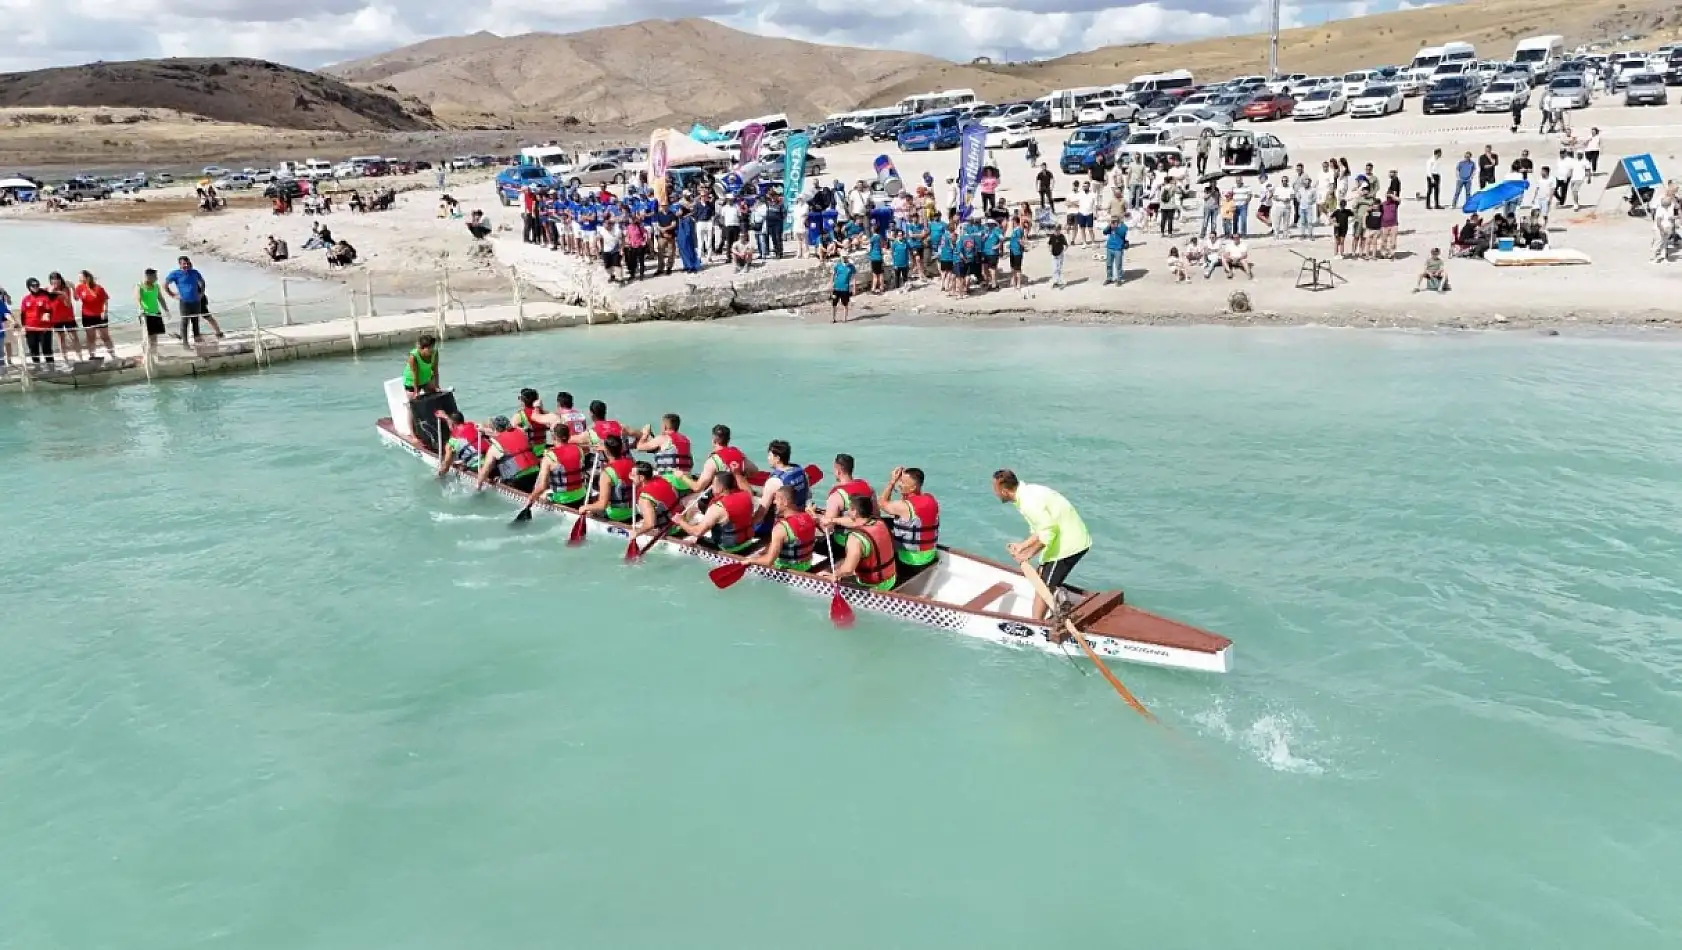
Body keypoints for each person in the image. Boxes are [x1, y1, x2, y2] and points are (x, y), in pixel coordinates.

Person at [992, 469, 1091, 622]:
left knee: (1043, 586)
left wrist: (1028, 554)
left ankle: (1036, 624)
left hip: (1068, 545)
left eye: (995, 490)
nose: (995, 493)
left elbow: (1049, 533)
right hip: (1065, 539)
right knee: (1042, 575)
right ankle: (1059, 596)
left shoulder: (1028, 502)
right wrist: (1022, 546)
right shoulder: (1026, 494)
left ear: (1004, 491)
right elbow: (1041, 530)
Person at [818, 494, 898, 592]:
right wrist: (831, 520)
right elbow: (854, 522)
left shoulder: (855, 539)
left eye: (850, 509)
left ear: (855, 512)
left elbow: (848, 570)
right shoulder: (880, 523)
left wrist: (833, 575)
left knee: (824, 574)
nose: (847, 512)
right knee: (841, 564)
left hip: (872, 586)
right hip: (891, 579)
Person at [878, 466, 940, 586]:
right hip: (929, 557)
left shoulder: (904, 506)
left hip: (909, 562)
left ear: (913, 487)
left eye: (903, 483)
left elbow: (882, 503)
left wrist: (892, 482)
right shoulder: (931, 499)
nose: (899, 484)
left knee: (878, 530)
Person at [673, 471, 760, 554]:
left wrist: (680, 521)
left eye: (713, 484)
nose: (711, 486)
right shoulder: (747, 495)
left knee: (694, 538)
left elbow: (697, 532)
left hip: (728, 548)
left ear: (721, 487)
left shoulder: (718, 507)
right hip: (747, 542)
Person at [743, 487, 818, 572]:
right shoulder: (809, 518)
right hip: (806, 566)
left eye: (776, 499)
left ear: (785, 502)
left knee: (753, 560)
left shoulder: (781, 528)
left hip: (788, 572)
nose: (774, 502)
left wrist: (750, 560)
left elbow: (768, 561)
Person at [521, 424, 591, 507]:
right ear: (569, 436)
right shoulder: (579, 450)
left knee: (542, 495)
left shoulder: (549, 457)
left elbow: (542, 486)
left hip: (562, 501)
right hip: (582, 497)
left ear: (553, 437)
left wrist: (531, 498)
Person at [681, 423, 758, 496]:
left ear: (714, 440)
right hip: (740, 495)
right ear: (728, 440)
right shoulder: (739, 455)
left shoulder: (713, 461)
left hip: (722, 499)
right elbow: (754, 470)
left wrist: (681, 476)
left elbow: (697, 488)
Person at [473, 416, 543, 493]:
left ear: (496, 429)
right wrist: (483, 429)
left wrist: (478, 485)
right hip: (537, 474)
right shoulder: (522, 433)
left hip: (518, 480)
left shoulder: (495, 446)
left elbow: (486, 469)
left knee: (496, 475)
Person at [164, 255, 223, 345]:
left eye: (188, 264)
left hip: (197, 300)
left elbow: (202, 282)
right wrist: (172, 295)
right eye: (184, 264)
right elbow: (165, 284)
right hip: (185, 302)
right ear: (180, 264)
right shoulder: (175, 274)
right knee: (185, 321)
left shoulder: (194, 272)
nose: (186, 266)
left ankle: (203, 337)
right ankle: (185, 343)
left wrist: (201, 293)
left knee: (198, 319)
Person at [578, 435, 636, 522]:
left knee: (590, 508)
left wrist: (585, 507)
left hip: (615, 515)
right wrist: (606, 449)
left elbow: (602, 505)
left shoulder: (607, 473)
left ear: (607, 451)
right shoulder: (632, 463)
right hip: (634, 511)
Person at [755, 439, 812, 525]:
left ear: (777, 458)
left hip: (784, 523)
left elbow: (762, 512)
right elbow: (808, 495)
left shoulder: (774, 481)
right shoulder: (801, 471)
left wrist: (748, 526)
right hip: (801, 516)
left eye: (769, 455)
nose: (768, 458)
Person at [634, 413, 695, 493]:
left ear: (665, 426)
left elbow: (639, 447)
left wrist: (645, 434)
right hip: (686, 482)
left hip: (670, 481)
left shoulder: (662, 438)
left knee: (639, 478)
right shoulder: (686, 440)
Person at [434, 409, 491, 476]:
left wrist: (439, 474)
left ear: (452, 423)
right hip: (490, 460)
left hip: (478, 466)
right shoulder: (473, 425)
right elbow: (455, 425)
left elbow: (447, 464)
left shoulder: (451, 442)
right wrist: (446, 417)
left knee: (457, 460)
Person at [74, 270, 115, 360]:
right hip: (87, 315)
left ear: (87, 277)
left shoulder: (98, 288)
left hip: (100, 315)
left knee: (105, 336)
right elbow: (76, 298)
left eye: (81, 277)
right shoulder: (79, 287)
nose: (79, 279)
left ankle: (113, 355)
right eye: (79, 278)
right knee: (91, 337)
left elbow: (105, 300)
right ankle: (92, 356)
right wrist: (73, 288)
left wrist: (105, 311)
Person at [19, 278, 56, 365]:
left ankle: (51, 367)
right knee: (33, 349)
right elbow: (23, 314)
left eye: (37, 285)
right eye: (33, 286)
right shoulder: (26, 299)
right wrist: (23, 327)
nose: (35, 287)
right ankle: (37, 367)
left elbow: (49, 309)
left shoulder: (44, 297)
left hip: (44, 328)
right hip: (30, 328)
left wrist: (47, 314)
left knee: (46, 349)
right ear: (29, 287)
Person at [136, 268, 170, 354]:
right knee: (147, 336)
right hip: (145, 314)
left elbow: (160, 298)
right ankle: (146, 353)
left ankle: (154, 353)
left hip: (156, 313)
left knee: (154, 336)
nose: (156, 278)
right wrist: (140, 308)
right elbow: (138, 298)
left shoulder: (156, 286)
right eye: (155, 276)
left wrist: (166, 310)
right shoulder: (140, 285)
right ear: (148, 276)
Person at [403, 334, 439, 399]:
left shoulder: (435, 353)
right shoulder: (413, 357)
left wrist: (437, 386)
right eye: (429, 348)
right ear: (422, 348)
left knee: (435, 396)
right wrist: (416, 392)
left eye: (433, 346)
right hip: (411, 383)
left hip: (426, 380)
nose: (432, 349)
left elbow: (435, 370)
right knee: (414, 402)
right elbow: (415, 376)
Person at [830, 254, 857, 323]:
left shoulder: (851, 267)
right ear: (841, 257)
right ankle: (833, 319)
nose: (844, 258)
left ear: (847, 257)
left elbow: (854, 278)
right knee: (834, 304)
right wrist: (831, 285)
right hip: (836, 288)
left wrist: (854, 288)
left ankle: (845, 319)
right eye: (843, 257)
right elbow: (833, 275)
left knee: (845, 304)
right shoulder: (837, 266)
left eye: (845, 257)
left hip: (845, 288)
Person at [1102, 217, 1127, 285]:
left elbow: (1122, 234)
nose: (1114, 221)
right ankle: (1109, 278)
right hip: (1110, 247)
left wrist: (1116, 228)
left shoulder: (1123, 226)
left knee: (1118, 265)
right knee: (1109, 264)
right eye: (1113, 220)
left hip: (1118, 248)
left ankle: (1119, 279)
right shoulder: (1111, 226)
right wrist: (1109, 226)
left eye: (1115, 220)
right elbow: (1104, 232)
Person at [1046, 223, 1067, 289]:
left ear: (1060, 230)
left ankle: (1058, 281)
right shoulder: (1052, 236)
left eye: (1057, 230)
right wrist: (1050, 250)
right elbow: (1049, 244)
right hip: (1053, 254)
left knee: (1059, 268)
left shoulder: (1062, 236)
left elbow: (1066, 245)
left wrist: (1063, 251)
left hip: (1060, 254)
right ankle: (1055, 280)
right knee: (1055, 268)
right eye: (1055, 230)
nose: (1056, 231)